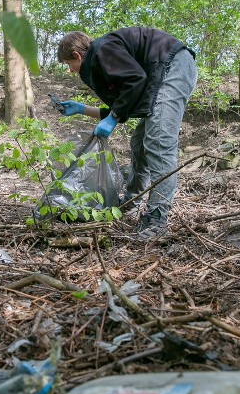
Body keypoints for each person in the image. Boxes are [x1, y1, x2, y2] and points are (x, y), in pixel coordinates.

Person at [56, 28, 197, 239]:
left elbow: (135, 80)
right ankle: (132, 202)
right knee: (140, 142)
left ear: (77, 55)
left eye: (69, 65)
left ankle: (157, 219)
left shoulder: (102, 51)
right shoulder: (106, 57)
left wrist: (113, 118)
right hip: (162, 73)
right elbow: (122, 107)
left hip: (174, 66)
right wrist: (81, 108)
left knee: (158, 142)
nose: (71, 71)